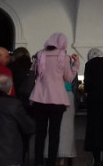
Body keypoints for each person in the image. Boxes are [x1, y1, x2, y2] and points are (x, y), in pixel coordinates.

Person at [30, 33, 80, 166]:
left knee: (40, 134)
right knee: (54, 134)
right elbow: (69, 78)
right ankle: (51, 163)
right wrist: (76, 64)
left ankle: (38, 162)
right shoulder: (64, 57)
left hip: (39, 98)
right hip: (57, 100)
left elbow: (35, 73)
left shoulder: (40, 54)